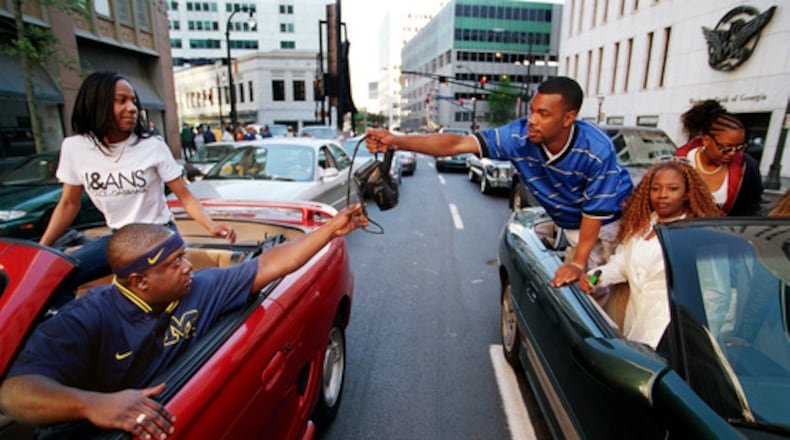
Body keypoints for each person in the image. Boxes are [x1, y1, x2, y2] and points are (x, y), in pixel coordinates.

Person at [0, 206, 368, 439]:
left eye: (184, 256)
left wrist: (331, 230)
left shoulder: (199, 288)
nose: (188, 266)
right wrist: (91, 405)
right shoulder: (87, 318)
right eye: (173, 263)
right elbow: (14, 392)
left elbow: (272, 264)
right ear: (139, 282)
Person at [365, 76, 633, 286]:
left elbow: (594, 214)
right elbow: (457, 143)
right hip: (573, 224)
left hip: (613, 223)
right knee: (582, 293)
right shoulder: (518, 137)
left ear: (568, 118)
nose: (533, 120)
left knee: (600, 291)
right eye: (532, 111)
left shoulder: (596, 149)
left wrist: (578, 263)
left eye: (544, 114)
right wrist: (396, 140)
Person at [38, 72, 237, 290]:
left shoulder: (152, 145)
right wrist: (41, 251)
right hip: (119, 240)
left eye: (133, 101)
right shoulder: (75, 147)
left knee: (151, 290)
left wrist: (212, 226)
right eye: (121, 101)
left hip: (160, 236)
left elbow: (185, 196)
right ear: (97, 104)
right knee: (53, 277)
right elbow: (68, 204)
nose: (132, 108)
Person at [578, 160, 722, 347]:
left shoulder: (697, 235)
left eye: (672, 188)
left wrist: (703, 336)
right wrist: (595, 279)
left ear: (687, 194)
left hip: (675, 332)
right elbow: (621, 264)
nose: (662, 195)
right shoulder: (641, 226)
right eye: (655, 189)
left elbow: (716, 293)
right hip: (638, 324)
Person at [675, 99, 763, 216]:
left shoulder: (748, 167)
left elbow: (753, 207)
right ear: (706, 140)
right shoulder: (680, 162)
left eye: (739, 147)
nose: (732, 153)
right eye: (726, 148)